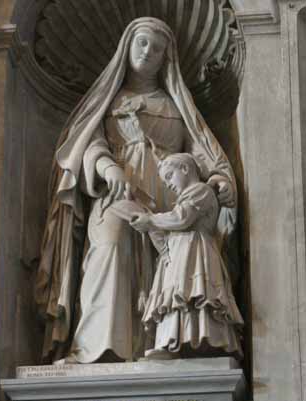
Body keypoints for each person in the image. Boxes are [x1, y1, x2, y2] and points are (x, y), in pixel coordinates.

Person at [35, 17, 238, 364]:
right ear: (127, 48)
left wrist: (218, 180)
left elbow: (202, 149)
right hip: (116, 194)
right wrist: (108, 167)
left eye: (157, 48)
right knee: (109, 248)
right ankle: (97, 347)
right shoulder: (107, 101)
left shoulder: (176, 104)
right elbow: (87, 143)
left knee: (170, 263)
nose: (149, 51)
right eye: (142, 43)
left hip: (169, 197)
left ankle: (159, 343)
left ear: (166, 59)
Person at [130, 153, 243, 360]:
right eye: (165, 181)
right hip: (179, 255)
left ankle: (203, 338)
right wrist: (150, 228)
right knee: (176, 296)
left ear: (185, 169)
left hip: (196, 251)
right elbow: (166, 237)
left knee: (194, 294)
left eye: (170, 176)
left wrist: (151, 220)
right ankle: (170, 342)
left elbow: (182, 218)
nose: (168, 185)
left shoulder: (202, 191)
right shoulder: (184, 200)